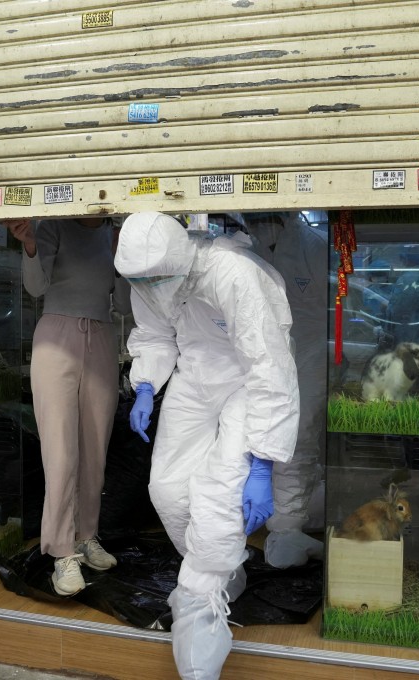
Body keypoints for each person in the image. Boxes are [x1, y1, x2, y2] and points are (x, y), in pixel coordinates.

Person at [115, 212, 299, 680]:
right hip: (196, 376)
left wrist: (260, 464)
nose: (149, 286)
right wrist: (144, 385)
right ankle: (222, 566)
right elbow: (156, 334)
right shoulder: (150, 276)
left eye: (154, 277)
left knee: (220, 493)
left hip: (246, 381)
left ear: (176, 260)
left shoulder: (235, 274)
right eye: (140, 280)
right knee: (168, 488)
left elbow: (270, 368)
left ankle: (199, 612)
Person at [5, 216, 127, 597]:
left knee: (95, 451)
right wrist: (29, 246)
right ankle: (61, 552)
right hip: (55, 335)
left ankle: (86, 536)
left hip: (103, 335)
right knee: (60, 452)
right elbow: (36, 287)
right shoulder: (53, 224)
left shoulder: (116, 231)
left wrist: (123, 258)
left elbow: (123, 305)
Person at [245, 212, 329, 568]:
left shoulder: (314, 247)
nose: (260, 221)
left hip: (309, 354)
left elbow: (335, 303)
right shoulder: (248, 250)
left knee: (300, 434)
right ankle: (280, 519)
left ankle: (289, 525)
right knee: (261, 429)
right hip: (264, 354)